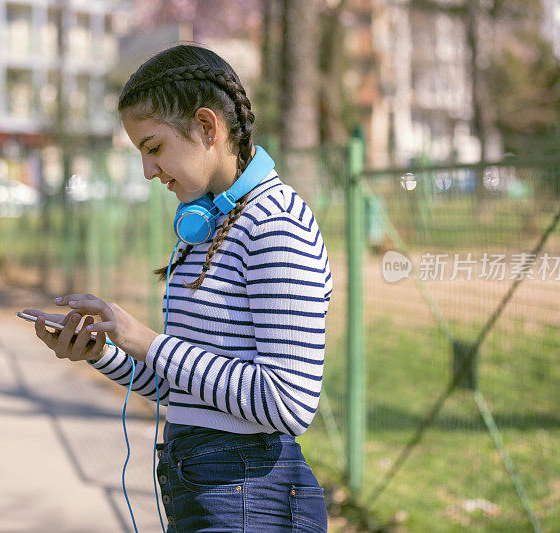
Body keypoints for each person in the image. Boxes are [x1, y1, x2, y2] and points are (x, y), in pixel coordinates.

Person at [23, 43, 334, 533]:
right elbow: (184, 390)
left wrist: (148, 342)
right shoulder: (213, 222)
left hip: (249, 494)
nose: (149, 171)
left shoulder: (274, 225)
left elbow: (288, 402)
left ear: (208, 128)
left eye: (154, 148)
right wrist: (103, 351)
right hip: (211, 489)